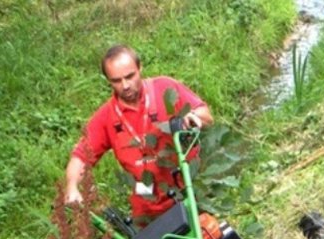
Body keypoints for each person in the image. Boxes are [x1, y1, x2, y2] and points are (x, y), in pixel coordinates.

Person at [65, 44, 213, 223]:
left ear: (140, 68)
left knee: (210, 237)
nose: (125, 86)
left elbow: (206, 116)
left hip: (190, 187)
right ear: (108, 81)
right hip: (149, 201)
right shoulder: (106, 117)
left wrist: (192, 118)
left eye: (130, 76)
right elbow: (80, 156)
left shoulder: (164, 88)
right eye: (116, 81)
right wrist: (72, 187)